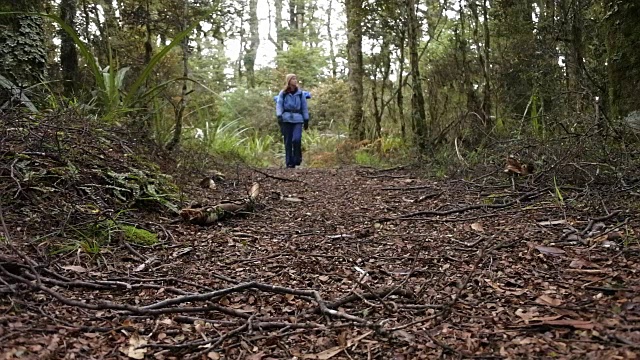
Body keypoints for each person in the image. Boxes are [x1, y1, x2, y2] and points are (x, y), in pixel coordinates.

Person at [276, 74, 309, 168]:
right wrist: (279, 116)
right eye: (293, 79)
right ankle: (289, 162)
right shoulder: (283, 93)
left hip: (298, 119)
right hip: (286, 119)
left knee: (296, 139)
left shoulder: (300, 94)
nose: (295, 80)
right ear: (289, 81)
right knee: (288, 141)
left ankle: (297, 158)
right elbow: (279, 104)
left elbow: (304, 107)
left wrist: (306, 119)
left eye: (295, 78)